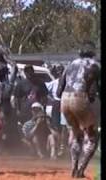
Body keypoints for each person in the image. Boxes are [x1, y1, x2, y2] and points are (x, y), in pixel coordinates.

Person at [57, 41, 100, 178]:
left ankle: (74, 168)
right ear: (93, 53)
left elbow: (59, 91)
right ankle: (80, 171)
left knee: (75, 134)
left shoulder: (70, 65)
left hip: (65, 99)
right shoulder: (95, 65)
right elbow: (95, 90)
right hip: (79, 98)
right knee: (92, 137)